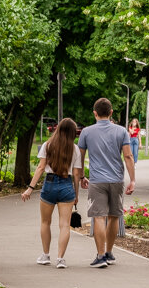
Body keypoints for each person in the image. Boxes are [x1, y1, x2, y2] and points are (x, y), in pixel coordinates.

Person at [78, 98, 136, 269]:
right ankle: (110, 252)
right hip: (117, 180)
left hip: (97, 181)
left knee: (98, 217)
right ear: (111, 113)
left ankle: (100, 255)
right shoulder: (122, 131)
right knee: (113, 216)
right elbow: (128, 156)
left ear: (95, 113)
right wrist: (132, 179)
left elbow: (80, 157)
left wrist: (82, 177)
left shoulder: (86, 132)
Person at [21, 118, 80, 269]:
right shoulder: (75, 149)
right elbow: (76, 174)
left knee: (45, 222)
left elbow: (41, 168)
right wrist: (76, 194)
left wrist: (30, 188)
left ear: (58, 129)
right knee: (64, 225)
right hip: (67, 186)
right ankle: (60, 259)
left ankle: (46, 255)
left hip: (50, 184)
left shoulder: (48, 145)